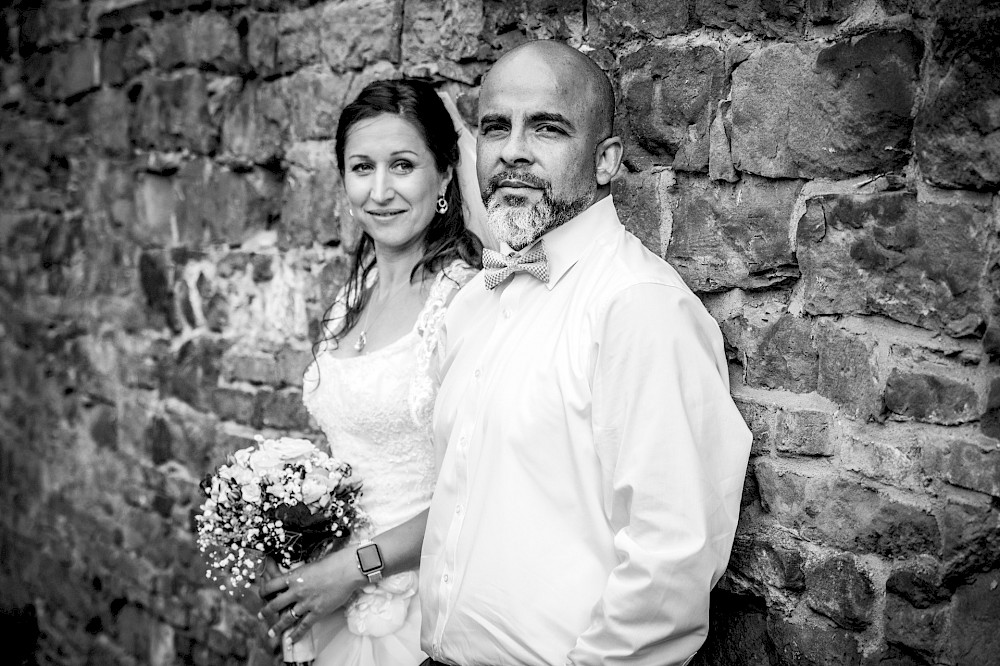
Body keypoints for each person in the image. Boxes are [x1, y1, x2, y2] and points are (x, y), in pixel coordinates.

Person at [419, 40, 753, 666]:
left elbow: (670, 556)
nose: (513, 150)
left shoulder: (638, 307)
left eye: (546, 128)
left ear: (605, 161)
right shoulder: (470, 305)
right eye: (496, 127)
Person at [258, 78, 489, 666]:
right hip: (330, 589)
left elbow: (481, 490)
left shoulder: (463, 301)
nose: (380, 190)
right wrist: (292, 535)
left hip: (414, 604)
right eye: (362, 167)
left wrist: (353, 568)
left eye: (403, 165)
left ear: (443, 177)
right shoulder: (351, 297)